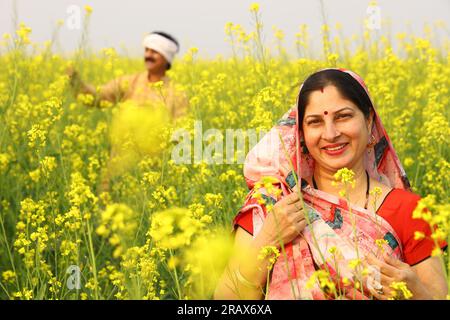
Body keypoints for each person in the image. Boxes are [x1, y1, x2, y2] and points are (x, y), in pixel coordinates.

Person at [214, 68, 447, 300]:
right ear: (301, 134)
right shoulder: (274, 204)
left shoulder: (409, 210)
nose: (331, 133)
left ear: (368, 120)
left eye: (343, 116)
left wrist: (415, 292)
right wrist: (269, 238)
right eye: (315, 122)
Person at [68, 31, 189, 119]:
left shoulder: (177, 94)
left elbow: (181, 129)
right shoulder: (129, 82)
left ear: (167, 58)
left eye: (154, 52)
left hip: (157, 154)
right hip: (123, 153)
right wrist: (75, 81)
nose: (148, 55)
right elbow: (98, 98)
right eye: (146, 50)